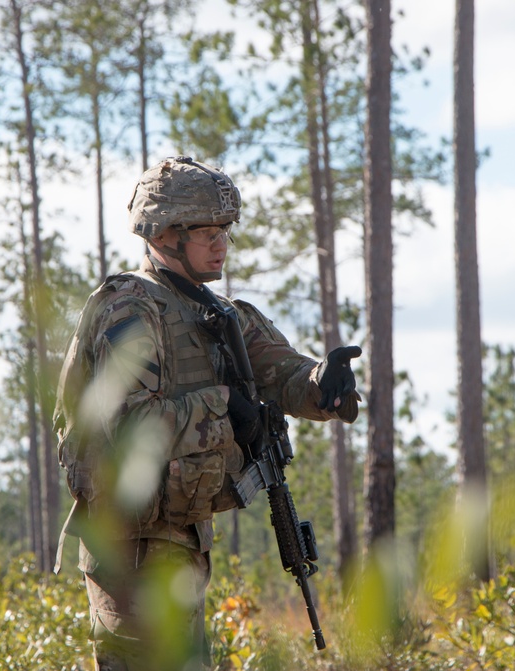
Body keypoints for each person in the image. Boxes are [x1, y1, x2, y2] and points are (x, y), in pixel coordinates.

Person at [53, 156, 362, 671]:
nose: (220, 243)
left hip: (183, 537)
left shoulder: (219, 314)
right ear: (165, 234)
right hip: (129, 546)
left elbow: (281, 372)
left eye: (225, 231)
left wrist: (321, 382)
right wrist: (224, 407)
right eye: (205, 232)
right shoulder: (130, 308)